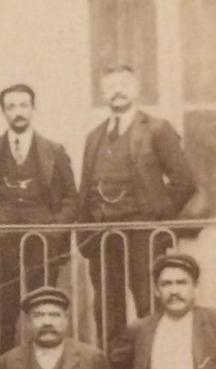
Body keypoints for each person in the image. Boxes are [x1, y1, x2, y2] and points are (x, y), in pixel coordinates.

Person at [78, 65, 198, 342]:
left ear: (136, 89)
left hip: (143, 235)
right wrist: (85, 235)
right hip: (104, 236)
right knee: (107, 310)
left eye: (123, 85)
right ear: (102, 94)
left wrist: (157, 219)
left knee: (149, 304)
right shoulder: (94, 136)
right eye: (110, 87)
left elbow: (184, 182)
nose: (117, 91)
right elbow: (85, 188)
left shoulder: (157, 129)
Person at [0, 84, 80, 353]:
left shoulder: (53, 151)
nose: (17, 112)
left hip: (42, 243)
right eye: (11, 106)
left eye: (23, 105)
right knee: (4, 312)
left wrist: (55, 229)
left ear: (33, 108)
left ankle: (44, 363)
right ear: (3, 112)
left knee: (43, 308)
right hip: (0, 242)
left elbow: (71, 198)